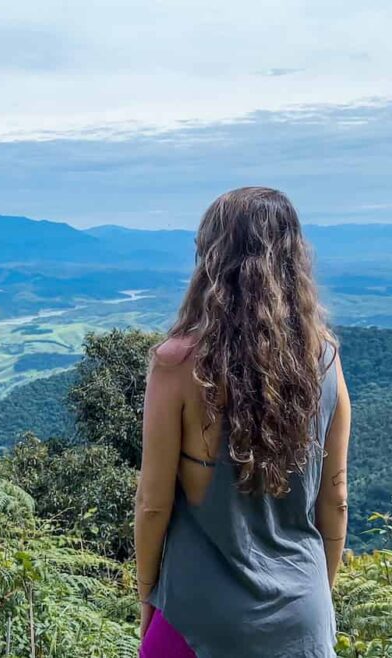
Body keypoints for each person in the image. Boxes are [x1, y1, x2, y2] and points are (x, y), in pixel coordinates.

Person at [135, 187, 351, 657]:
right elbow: (334, 498)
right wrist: (319, 595)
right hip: (302, 616)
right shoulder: (326, 362)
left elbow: (152, 504)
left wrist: (148, 595)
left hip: (196, 616)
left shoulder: (177, 365)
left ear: (210, 258)